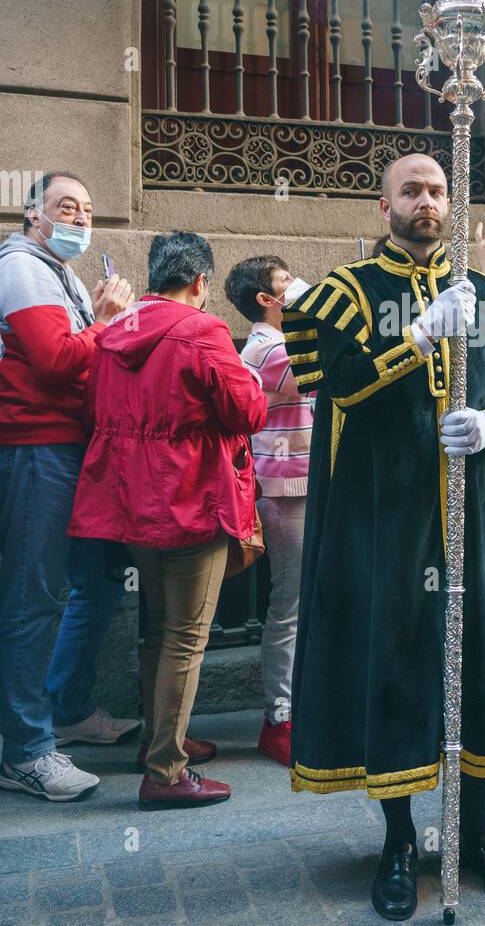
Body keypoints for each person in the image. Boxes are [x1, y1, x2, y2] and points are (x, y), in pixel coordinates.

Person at [282, 153, 485, 921]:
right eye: (412, 191)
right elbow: (345, 384)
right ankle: (398, 839)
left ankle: (478, 830)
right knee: (394, 665)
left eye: (437, 191)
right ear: (383, 207)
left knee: (475, 662)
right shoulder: (344, 294)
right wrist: (421, 336)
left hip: (474, 518)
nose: (426, 202)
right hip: (384, 521)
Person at [67, 231, 268, 808]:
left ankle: (160, 742)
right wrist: (251, 376)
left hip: (129, 501)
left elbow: (91, 410)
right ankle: (166, 771)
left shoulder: (115, 329)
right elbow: (245, 411)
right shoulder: (201, 330)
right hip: (190, 498)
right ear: (201, 282)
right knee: (186, 636)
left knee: (159, 627)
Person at [0, 172, 139, 804]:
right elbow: (56, 360)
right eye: (65, 207)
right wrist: (108, 321)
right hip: (37, 448)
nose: (79, 219)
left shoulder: (61, 272)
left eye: (86, 209)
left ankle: (68, 710)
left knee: (94, 581)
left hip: (71, 447)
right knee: (35, 596)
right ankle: (26, 751)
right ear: (34, 214)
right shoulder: (22, 266)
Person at [225, 255, 314, 767]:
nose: (298, 289)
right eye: (288, 284)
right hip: (284, 491)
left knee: (300, 604)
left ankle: (297, 705)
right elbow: (318, 375)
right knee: (291, 607)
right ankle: (278, 719)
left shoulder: (273, 344)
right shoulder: (269, 347)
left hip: (301, 486)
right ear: (267, 300)